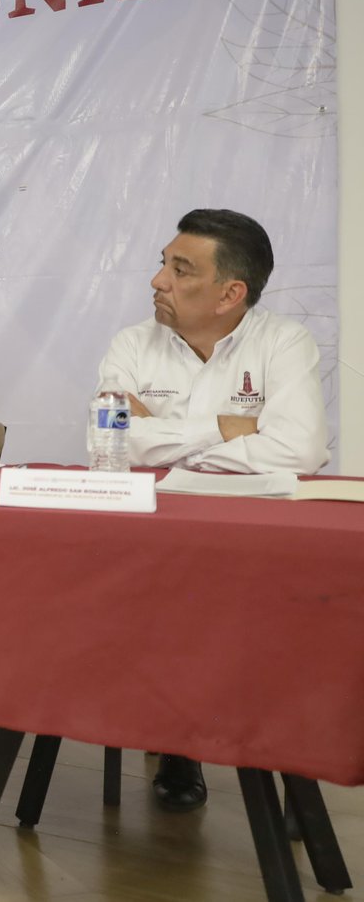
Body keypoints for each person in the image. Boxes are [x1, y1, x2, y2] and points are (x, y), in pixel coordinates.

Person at [97, 208, 327, 812]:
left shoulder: (284, 342)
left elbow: (300, 450)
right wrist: (232, 427)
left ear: (231, 294)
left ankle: (285, 756)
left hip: (254, 536)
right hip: (154, 536)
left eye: (180, 270)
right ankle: (178, 741)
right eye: (163, 264)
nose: (157, 281)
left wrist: (167, 433)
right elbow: (115, 441)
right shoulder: (131, 344)